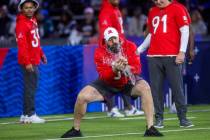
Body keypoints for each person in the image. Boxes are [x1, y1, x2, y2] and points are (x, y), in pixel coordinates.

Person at [61, 27, 163, 138]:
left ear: (119, 38)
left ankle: (150, 128)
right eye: (110, 40)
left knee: (145, 88)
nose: (113, 42)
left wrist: (126, 67)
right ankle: (76, 129)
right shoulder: (99, 52)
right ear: (105, 42)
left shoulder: (130, 46)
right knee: (82, 96)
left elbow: (137, 69)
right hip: (107, 83)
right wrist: (115, 69)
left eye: (115, 38)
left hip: (127, 80)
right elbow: (104, 75)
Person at [136, 0, 194, 128]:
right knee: (156, 90)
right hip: (154, 56)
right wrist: (139, 50)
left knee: (177, 88)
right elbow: (152, 34)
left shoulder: (178, 8)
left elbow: (185, 30)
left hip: (172, 56)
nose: (157, 1)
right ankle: (159, 119)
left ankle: (183, 118)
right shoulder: (153, 11)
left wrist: (182, 52)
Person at [98, 0, 143, 117]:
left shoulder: (115, 9)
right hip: (111, 50)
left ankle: (128, 107)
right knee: (110, 77)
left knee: (123, 76)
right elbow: (106, 35)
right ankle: (111, 109)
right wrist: (111, 52)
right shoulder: (106, 11)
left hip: (119, 48)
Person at [16, 0, 47, 123]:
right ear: (22, 9)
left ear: (35, 8)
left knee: (30, 87)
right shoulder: (22, 23)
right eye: (26, 7)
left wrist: (41, 54)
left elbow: (36, 41)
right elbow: (22, 45)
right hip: (29, 61)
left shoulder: (33, 20)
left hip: (34, 59)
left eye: (31, 7)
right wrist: (27, 62)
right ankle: (30, 114)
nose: (29, 10)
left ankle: (25, 114)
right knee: (31, 88)